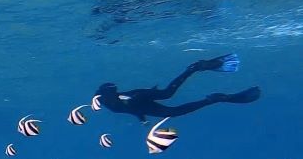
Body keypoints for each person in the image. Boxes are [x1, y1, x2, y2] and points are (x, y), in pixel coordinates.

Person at [96, 53, 260, 122]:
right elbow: (129, 108)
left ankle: (210, 96)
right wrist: (141, 118)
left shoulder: (112, 105)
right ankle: (196, 72)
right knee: (169, 98)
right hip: (139, 100)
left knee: (170, 103)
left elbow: (128, 107)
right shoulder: (112, 103)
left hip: (139, 100)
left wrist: (141, 117)